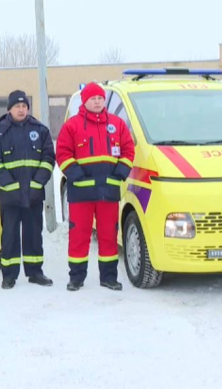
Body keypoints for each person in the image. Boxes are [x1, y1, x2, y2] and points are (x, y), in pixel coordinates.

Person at [56, 82, 134, 291]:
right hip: (81, 192)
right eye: (93, 98)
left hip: (108, 191)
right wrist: (77, 175)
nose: (98, 101)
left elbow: (128, 150)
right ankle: (76, 278)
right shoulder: (72, 126)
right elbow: (62, 154)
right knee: (79, 235)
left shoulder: (117, 124)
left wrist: (120, 173)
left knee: (109, 235)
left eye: (100, 98)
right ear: (85, 101)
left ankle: (109, 278)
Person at [0, 90, 56, 289]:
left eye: (24, 106)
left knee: (34, 234)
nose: (21, 109)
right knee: (10, 236)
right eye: (17, 106)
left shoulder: (40, 130)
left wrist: (38, 182)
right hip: (10, 195)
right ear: (9, 109)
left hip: (33, 194)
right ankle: (9, 276)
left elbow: (49, 158)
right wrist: (8, 184)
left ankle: (35, 272)